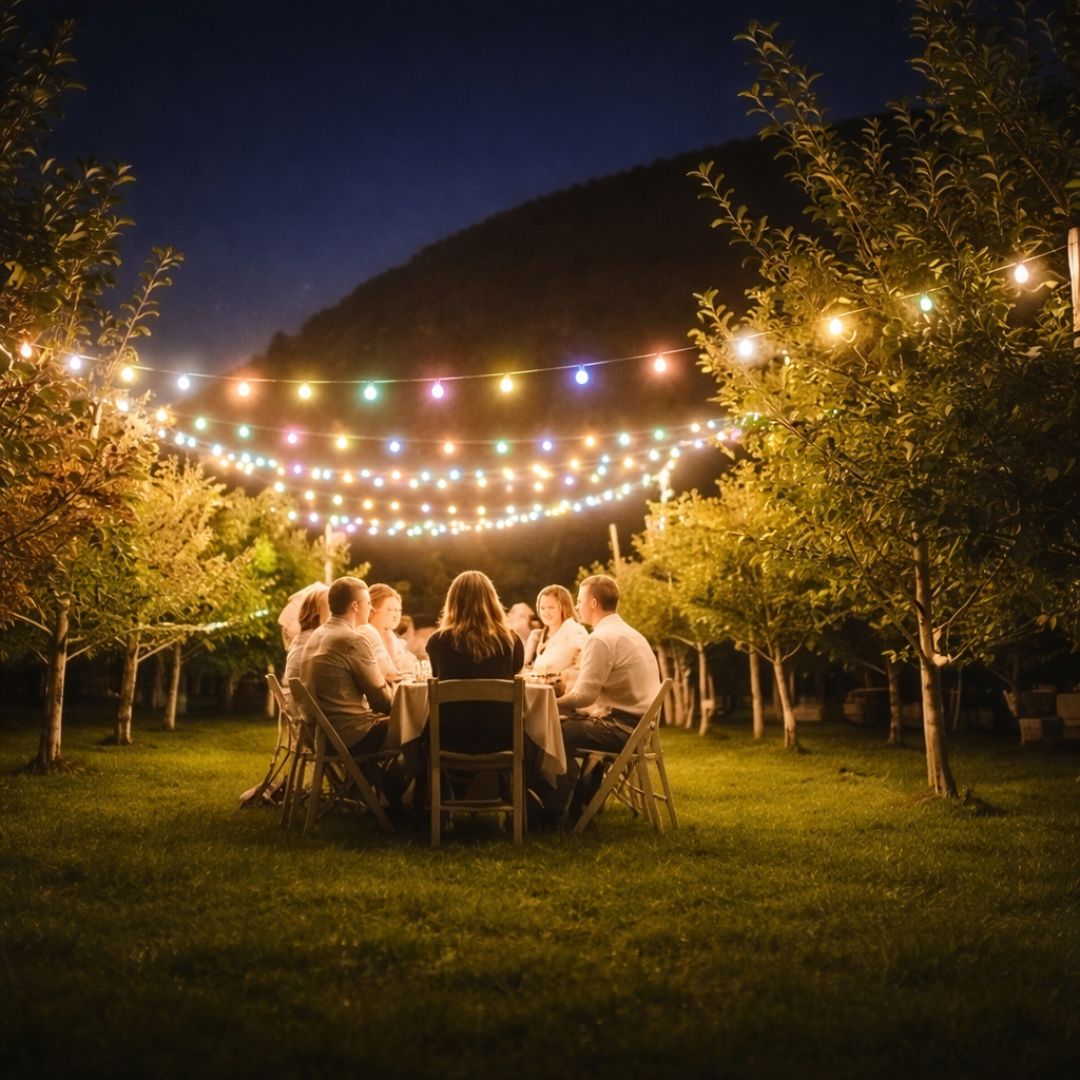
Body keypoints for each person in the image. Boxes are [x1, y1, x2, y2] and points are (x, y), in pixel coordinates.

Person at [540, 574, 661, 823]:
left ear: (593, 603)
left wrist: (548, 704)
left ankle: (550, 809)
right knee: (562, 725)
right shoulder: (629, 633)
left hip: (621, 729)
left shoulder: (600, 638)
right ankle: (578, 805)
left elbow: (584, 696)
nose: (577, 605)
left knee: (548, 730)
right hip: (638, 728)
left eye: (580, 599)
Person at [425, 570, 525, 753]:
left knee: (415, 735)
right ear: (492, 601)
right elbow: (514, 673)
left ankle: (427, 780)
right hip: (502, 736)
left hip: (450, 737)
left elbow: (437, 676)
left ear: (452, 602)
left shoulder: (437, 641)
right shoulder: (512, 640)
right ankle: (519, 781)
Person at [298, 576, 394, 756]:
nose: (371, 608)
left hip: (321, 737)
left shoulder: (316, 636)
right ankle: (396, 784)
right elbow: (381, 702)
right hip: (352, 737)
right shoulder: (353, 640)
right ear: (355, 606)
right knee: (421, 729)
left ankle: (366, 783)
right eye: (368, 602)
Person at [523, 584, 589, 678]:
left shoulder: (575, 632)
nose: (546, 613)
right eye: (542, 608)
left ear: (564, 607)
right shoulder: (541, 636)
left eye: (551, 607)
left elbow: (585, 668)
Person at [359, 583, 419, 682]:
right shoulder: (365, 635)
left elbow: (413, 666)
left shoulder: (395, 640)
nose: (396, 615)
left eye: (398, 610)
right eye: (389, 610)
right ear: (372, 610)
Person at [281, 587, 329, 711]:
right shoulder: (314, 642)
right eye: (331, 609)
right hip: (310, 715)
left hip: (300, 711)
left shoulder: (302, 640)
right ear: (318, 615)